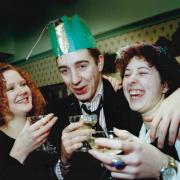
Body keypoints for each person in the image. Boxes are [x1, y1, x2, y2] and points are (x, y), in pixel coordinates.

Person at [47, 15, 180, 180]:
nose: (74, 80)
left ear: (100, 62)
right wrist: (64, 161)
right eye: (64, 70)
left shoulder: (132, 100)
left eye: (82, 66)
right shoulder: (55, 113)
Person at [89, 43, 180, 179]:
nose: (131, 80)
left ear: (165, 85)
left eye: (142, 72)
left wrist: (164, 166)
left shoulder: (176, 126)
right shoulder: (137, 127)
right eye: (127, 74)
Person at [0, 63, 60, 180]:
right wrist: (20, 152)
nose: (22, 91)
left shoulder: (46, 126)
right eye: (11, 88)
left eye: (23, 84)